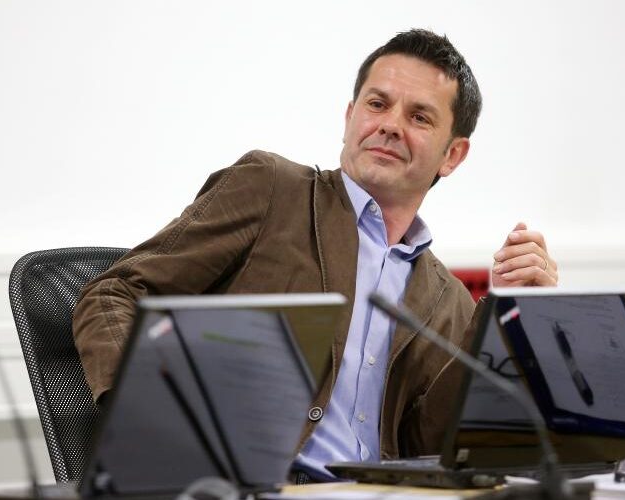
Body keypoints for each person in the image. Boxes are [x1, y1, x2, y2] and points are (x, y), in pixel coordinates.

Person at [72, 28, 558, 482]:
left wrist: (507, 318)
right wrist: (157, 416)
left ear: (452, 155)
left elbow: (426, 447)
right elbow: (113, 292)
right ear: (349, 118)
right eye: (377, 104)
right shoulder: (272, 190)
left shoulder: (446, 298)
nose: (390, 126)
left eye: (419, 117)